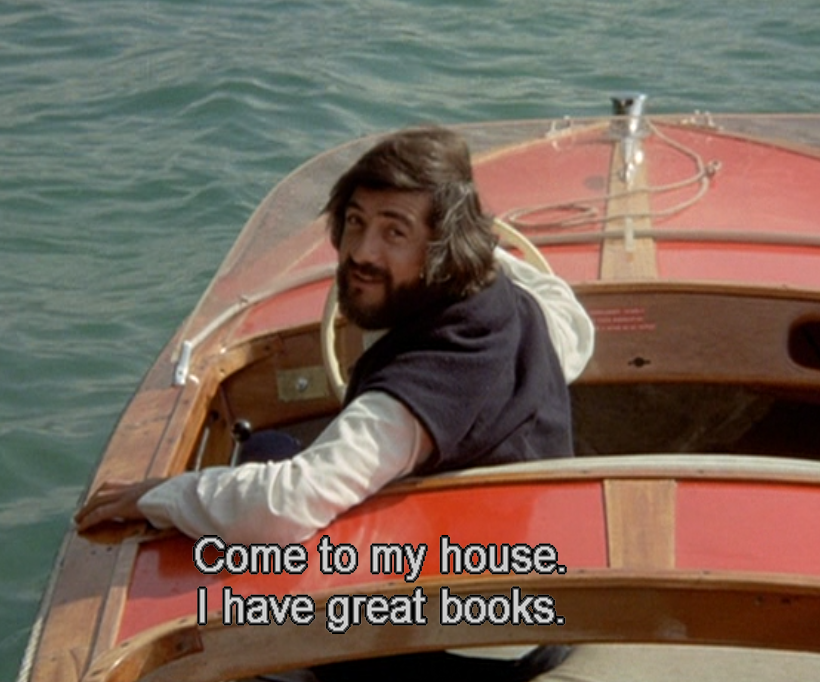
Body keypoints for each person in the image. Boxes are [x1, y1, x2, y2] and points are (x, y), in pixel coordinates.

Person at [74, 126, 594, 679]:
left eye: (395, 232)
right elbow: (574, 323)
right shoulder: (509, 303)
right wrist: (478, 248)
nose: (361, 253)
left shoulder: (424, 384)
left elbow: (285, 504)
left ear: (444, 249)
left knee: (253, 507)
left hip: (457, 649)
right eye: (355, 222)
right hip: (529, 610)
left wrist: (163, 496)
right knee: (271, 456)